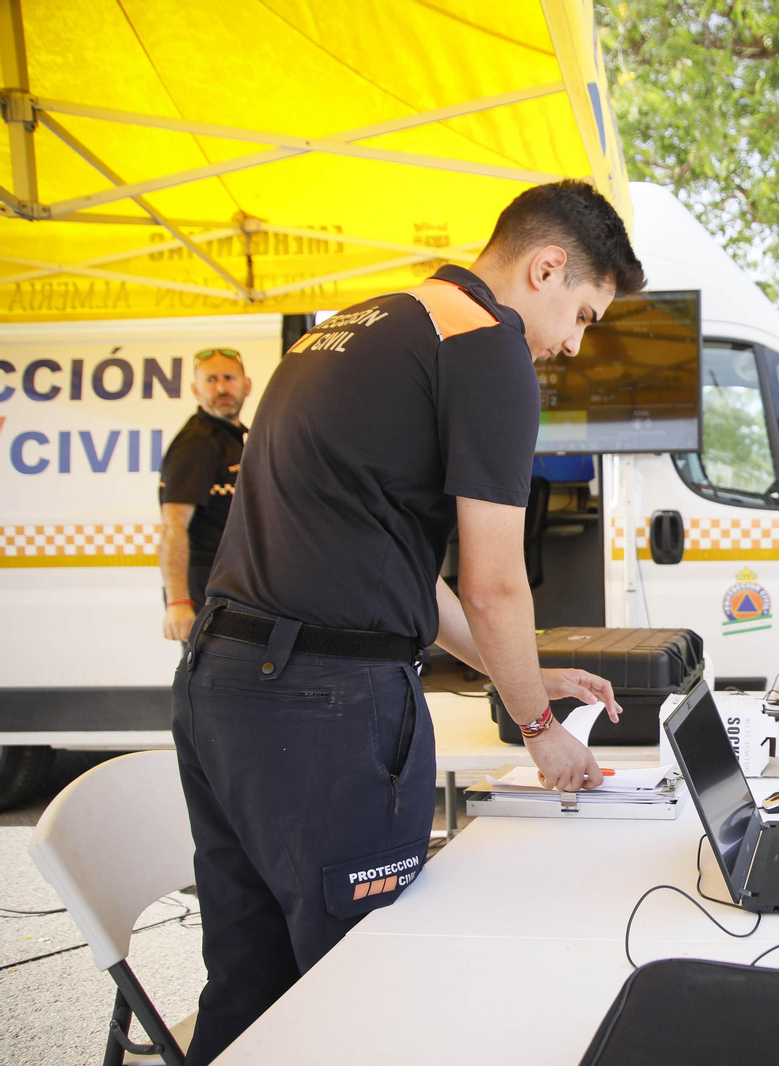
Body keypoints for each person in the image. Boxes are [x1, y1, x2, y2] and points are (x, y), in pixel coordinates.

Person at [172, 180, 647, 1064]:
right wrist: (539, 730)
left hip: (223, 688)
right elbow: (497, 581)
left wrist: (520, 676)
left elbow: (402, 570)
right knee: (366, 993)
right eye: (582, 314)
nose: (571, 346)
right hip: (324, 707)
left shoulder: (360, 325)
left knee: (251, 987)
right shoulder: (486, 347)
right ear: (546, 267)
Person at [158, 348, 252, 641]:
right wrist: (178, 603)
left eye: (229, 378)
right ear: (195, 389)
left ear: (247, 385)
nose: (222, 388)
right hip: (205, 590)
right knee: (212, 681)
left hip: (234, 588)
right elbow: (173, 525)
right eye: (211, 380)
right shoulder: (197, 443)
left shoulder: (237, 438)